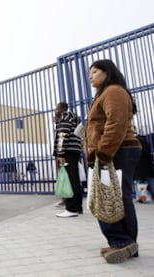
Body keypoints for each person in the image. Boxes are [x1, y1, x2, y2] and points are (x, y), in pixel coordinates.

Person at [85, 59, 141, 264]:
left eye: (95, 71)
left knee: (112, 198)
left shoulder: (114, 91)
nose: (90, 75)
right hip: (115, 152)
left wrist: (103, 153)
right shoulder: (104, 94)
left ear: (107, 72)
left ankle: (122, 241)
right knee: (115, 197)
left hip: (117, 152)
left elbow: (115, 124)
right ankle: (125, 243)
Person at [53, 102, 83, 217]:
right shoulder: (75, 118)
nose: (56, 111)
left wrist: (60, 153)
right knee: (74, 179)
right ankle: (78, 207)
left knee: (70, 180)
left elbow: (62, 135)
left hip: (67, 152)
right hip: (74, 150)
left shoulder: (65, 117)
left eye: (56, 108)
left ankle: (71, 209)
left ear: (61, 109)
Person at [133, 132, 154, 201]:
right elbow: (148, 154)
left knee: (140, 182)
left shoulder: (131, 142)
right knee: (150, 181)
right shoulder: (144, 141)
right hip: (146, 166)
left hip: (137, 167)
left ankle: (142, 197)